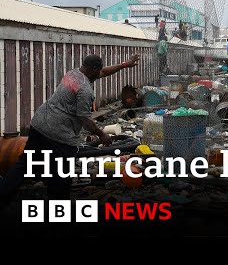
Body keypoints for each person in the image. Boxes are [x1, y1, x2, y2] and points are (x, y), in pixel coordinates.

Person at [0, 53, 140, 206]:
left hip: (39, 125)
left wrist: (124, 65)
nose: (100, 74)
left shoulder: (73, 73)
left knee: (25, 164)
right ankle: (59, 209)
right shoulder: (85, 90)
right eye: (97, 71)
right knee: (60, 174)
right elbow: (85, 120)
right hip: (58, 134)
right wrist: (102, 135)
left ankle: (3, 196)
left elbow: (104, 72)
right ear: (93, 69)